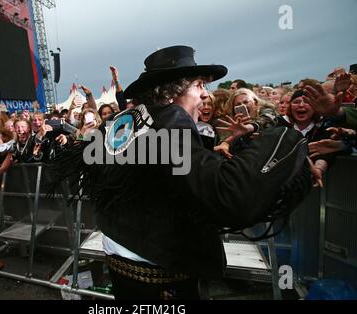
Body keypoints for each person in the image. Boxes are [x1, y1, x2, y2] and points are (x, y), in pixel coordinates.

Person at [52, 45, 312, 300]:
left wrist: (205, 161)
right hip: (158, 269)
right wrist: (289, 139)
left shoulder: (125, 120)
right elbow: (229, 194)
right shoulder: (172, 119)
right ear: (172, 92)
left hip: (121, 255)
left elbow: (147, 173)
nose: (205, 95)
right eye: (199, 85)